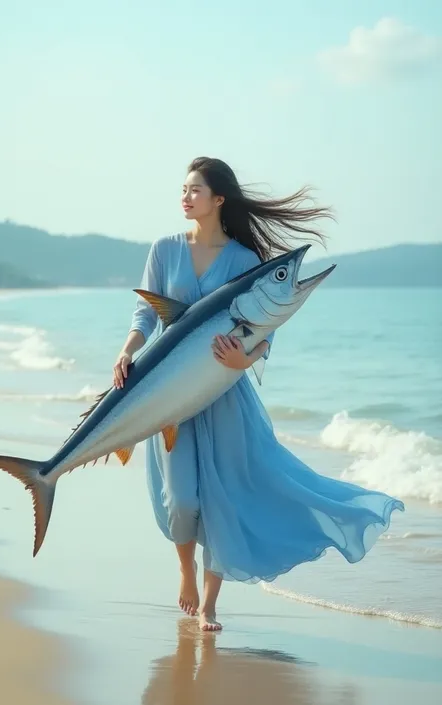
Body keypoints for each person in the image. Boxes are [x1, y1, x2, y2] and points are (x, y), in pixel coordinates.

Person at [113, 157, 404, 632]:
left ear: (219, 199)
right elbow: (144, 316)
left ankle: (209, 605)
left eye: (195, 190)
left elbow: (265, 330)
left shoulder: (246, 261)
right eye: (183, 189)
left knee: (223, 501)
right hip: (166, 395)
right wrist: (127, 351)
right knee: (181, 501)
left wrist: (244, 361)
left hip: (225, 395)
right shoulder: (164, 249)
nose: (185, 197)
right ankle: (185, 573)